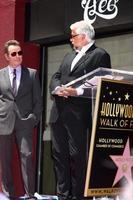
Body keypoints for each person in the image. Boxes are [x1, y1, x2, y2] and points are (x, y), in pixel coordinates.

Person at [49, 20, 111, 200]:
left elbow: (103, 84)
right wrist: (58, 88)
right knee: (59, 156)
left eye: (73, 35)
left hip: (78, 115)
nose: (71, 39)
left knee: (78, 157)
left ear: (84, 36)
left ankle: (79, 196)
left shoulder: (100, 55)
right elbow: (57, 76)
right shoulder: (69, 56)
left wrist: (76, 91)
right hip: (58, 113)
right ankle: (63, 195)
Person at [0, 40, 42, 200]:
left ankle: (30, 195)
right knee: (5, 161)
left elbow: (38, 100)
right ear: (7, 56)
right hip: (4, 123)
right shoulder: (0, 74)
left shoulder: (31, 74)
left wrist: (34, 119)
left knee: (27, 157)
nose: (18, 56)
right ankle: (9, 195)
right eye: (14, 54)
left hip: (25, 123)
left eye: (20, 53)